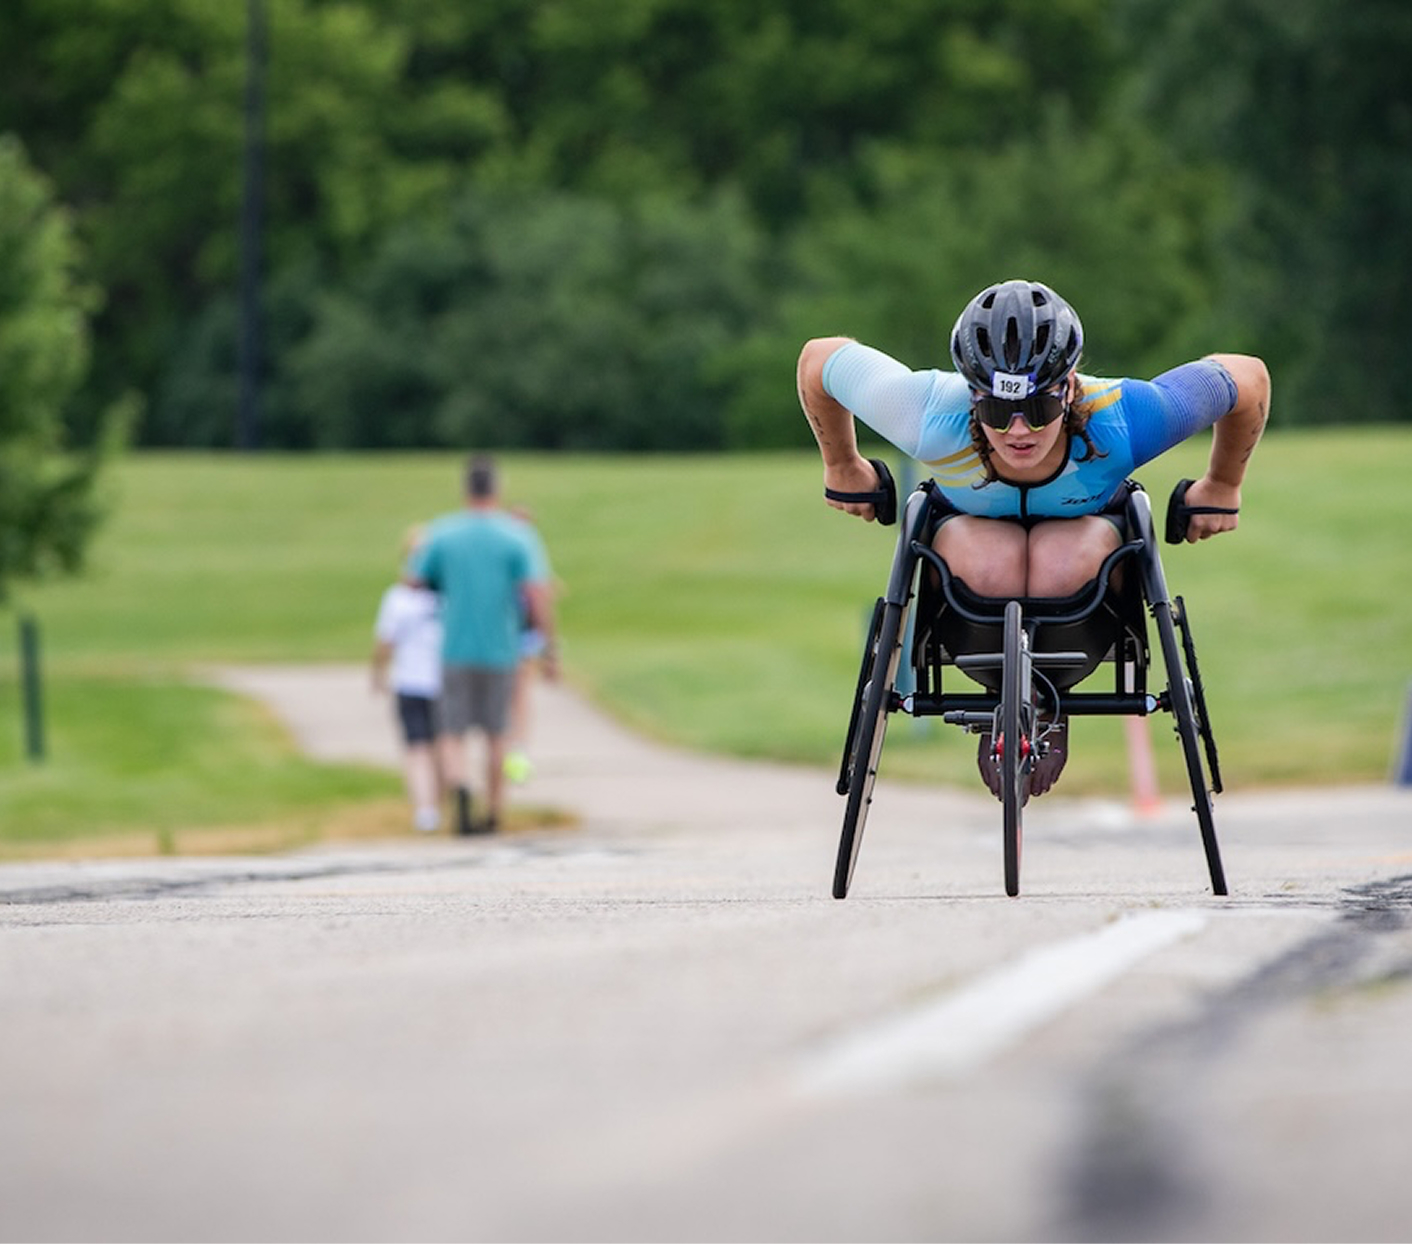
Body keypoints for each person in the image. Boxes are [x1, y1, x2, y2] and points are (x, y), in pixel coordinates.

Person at [797, 278, 1270, 798]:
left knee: (1060, 552)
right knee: (992, 554)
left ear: (1069, 390)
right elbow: (820, 359)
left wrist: (1223, 484)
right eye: (997, 412)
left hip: (1083, 580)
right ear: (973, 397)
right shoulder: (930, 413)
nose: (1019, 431)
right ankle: (1008, 697)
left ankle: (1048, 700)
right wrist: (842, 466)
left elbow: (1247, 378)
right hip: (970, 578)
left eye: (1039, 410)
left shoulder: (1123, 417)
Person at [412, 455, 559, 835]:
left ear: (466, 489)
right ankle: (493, 809)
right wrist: (549, 647)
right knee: (497, 732)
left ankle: (460, 787)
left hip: (454, 647)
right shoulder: (516, 536)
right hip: (502, 648)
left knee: (451, 731)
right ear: (498, 488)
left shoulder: (442, 533)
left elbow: (414, 579)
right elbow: (538, 593)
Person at [371, 526, 450, 832]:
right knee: (433, 746)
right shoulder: (448, 595)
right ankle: (434, 806)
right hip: (428, 681)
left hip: (424, 680)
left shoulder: (400, 598)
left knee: (425, 748)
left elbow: (385, 642)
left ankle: (429, 808)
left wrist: (377, 672)